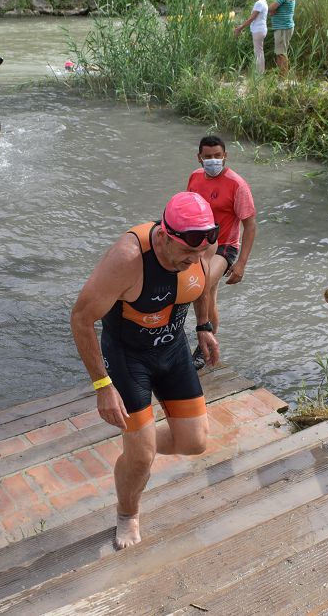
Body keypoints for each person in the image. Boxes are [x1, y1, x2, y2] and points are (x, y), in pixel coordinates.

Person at [70, 192, 221, 550]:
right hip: (127, 360)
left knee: (194, 442)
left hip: (172, 350)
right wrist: (102, 385)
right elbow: (81, 319)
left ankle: (137, 447)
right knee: (140, 459)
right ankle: (127, 512)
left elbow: (204, 285)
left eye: (201, 253)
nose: (194, 260)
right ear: (166, 236)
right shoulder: (127, 259)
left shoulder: (202, 247)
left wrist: (203, 326)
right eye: (187, 253)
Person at [186, 135, 257, 370]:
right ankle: (206, 344)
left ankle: (202, 345)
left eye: (217, 156)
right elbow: (188, 210)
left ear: (225, 156)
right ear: (199, 158)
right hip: (198, 243)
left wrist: (241, 264)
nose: (213, 160)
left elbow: (250, 224)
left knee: (202, 286)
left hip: (225, 246)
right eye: (208, 157)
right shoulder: (195, 177)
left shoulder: (237, 184)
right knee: (208, 295)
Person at [233, 0, 269, 74]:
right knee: (260, 51)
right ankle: (260, 72)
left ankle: (259, 74)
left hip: (258, 30)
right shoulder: (264, 1)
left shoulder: (259, 3)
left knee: (258, 52)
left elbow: (251, 18)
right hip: (262, 29)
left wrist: (240, 28)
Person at [267, 0, 296, 77]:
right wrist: (273, 10)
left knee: (281, 54)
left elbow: (272, 7)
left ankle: (283, 78)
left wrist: (268, 9)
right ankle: (281, 76)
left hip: (283, 28)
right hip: (284, 27)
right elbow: (275, 8)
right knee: (280, 53)